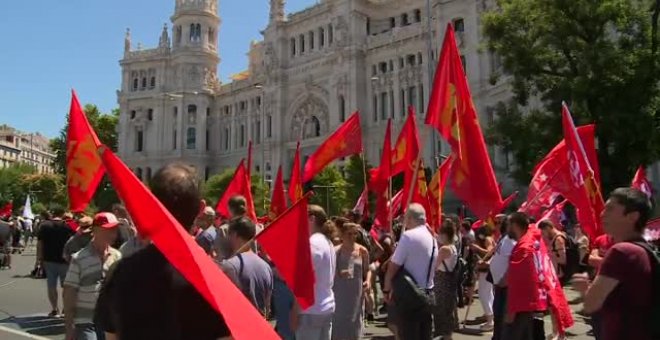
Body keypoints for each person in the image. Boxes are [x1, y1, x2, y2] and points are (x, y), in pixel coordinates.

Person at [95, 163, 231, 340]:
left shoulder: (120, 272)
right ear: (201, 208)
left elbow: (111, 337)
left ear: (151, 206)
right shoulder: (217, 280)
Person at [573, 187, 654, 340]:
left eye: (610, 209)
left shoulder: (621, 252)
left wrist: (584, 288)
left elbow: (591, 304)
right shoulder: (645, 250)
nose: (602, 214)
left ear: (633, 217)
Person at [383, 203, 438, 340]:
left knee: (408, 334)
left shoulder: (408, 236)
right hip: (428, 294)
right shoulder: (433, 239)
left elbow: (393, 266)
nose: (404, 222)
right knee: (424, 335)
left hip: (410, 296)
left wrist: (386, 289)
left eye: (405, 218)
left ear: (410, 218)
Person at [63, 212, 122, 340]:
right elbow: (69, 293)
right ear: (94, 230)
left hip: (109, 322)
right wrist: (69, 326)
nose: (113, 234)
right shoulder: (79, 258)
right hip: (85, 321)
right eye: (108, 230)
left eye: (114, 230)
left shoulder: (117, 256)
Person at [291, 205, 337, 340]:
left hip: (311, 310)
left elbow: (304, 279)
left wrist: (295, 310)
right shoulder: (326, 241)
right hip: (325, 306)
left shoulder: (313, 243)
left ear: (311, 219)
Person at [222, 216, 273, 315]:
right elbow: (267, 306)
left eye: (229, 234)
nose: (227, 238)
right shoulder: (266, 266)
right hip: (260, 325)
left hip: (238, 325)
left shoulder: (229, 266)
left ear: (235, 235)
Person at [332, 222, 370, 340]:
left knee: (354, 326)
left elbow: (367, 270)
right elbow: (328, 273)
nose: (352, 237)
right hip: (339, 294)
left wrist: (368, 281)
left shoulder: (362, 251)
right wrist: (338, 273)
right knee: (339, 325)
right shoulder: (335, 251)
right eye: (349, 234)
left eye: (355, 234)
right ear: (342, 235)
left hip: (356, 295)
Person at [37, 207, 75, 317]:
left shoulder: (44, 226)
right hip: (65, 260)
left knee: (51, 285)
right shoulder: (68, 226)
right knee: (66, 286)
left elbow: (40, 244)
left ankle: (54, 309)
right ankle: (65, 308)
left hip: (49, 259)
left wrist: (39, 258)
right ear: (63, 214)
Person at [489, 216, 517, 340]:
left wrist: (504, 280)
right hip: (499, 284)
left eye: (500, 223)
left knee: (502, 316)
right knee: (498, 315)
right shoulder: (503, 239)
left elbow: (513, 263)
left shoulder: (511, 241)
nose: (497, 225)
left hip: (505, 286)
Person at [433, 220, 459, 340]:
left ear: (445, 234)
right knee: (447, 312)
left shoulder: (444, 249)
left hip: (441, 282)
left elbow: (434, 266)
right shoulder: (453, 247)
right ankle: (447, 336)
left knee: (440, 311)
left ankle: (443, 336)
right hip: (449, 283)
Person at [472, 222, 496, 331]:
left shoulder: (487, 239)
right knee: (488, 294)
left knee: (483, 294)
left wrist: (477, 248)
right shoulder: (487, 239)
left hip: (487, 270)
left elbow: (489, 252)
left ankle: (490, 320)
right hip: (485, 270)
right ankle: (491, 318)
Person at [215, 195, 248, 261]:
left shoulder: (223, 230)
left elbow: (221, 257)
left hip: (230, 268)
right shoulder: (255, 229)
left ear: (229, 209)